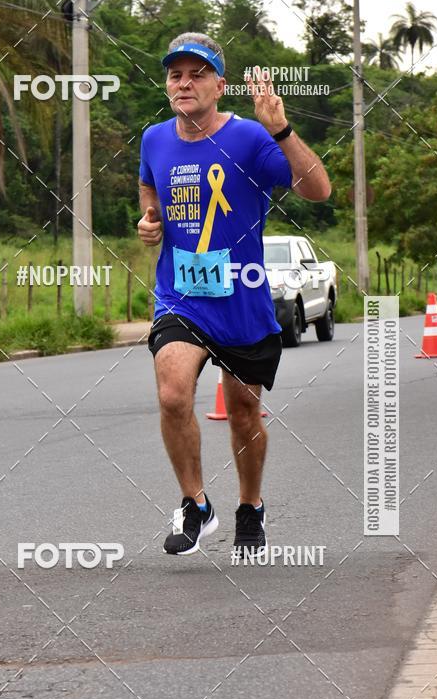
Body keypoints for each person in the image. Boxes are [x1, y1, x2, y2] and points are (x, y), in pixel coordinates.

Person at [138, 32, 331, 556]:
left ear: (219, 85)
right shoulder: (154, 138)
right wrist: (150, 220)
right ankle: (195, 504)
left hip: (241, 299)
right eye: (176, 74)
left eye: (197, 73)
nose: (184, 83)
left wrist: (282, 129)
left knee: (245, 411)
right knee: (173, 393)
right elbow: (149, 188)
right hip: (181, 296)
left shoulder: (249, 139)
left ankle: (251, 505)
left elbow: (317, 189)